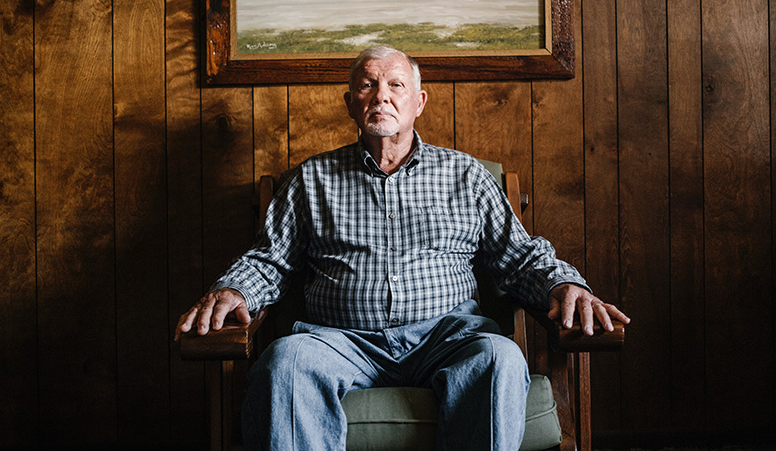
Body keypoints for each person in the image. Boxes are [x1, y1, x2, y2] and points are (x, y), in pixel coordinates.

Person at [176, 46, 630, 450]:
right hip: (340, 340)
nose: (381, 96)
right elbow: (269, 260)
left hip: (445, 335)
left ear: (418, 101)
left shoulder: (467, 177)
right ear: (350, 103)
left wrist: (564, 283)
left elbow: (519, 257)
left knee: (498, 357)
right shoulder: (309, 180)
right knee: (285, 363)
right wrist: (234, 290)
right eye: (367, 85)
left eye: (395, 84)